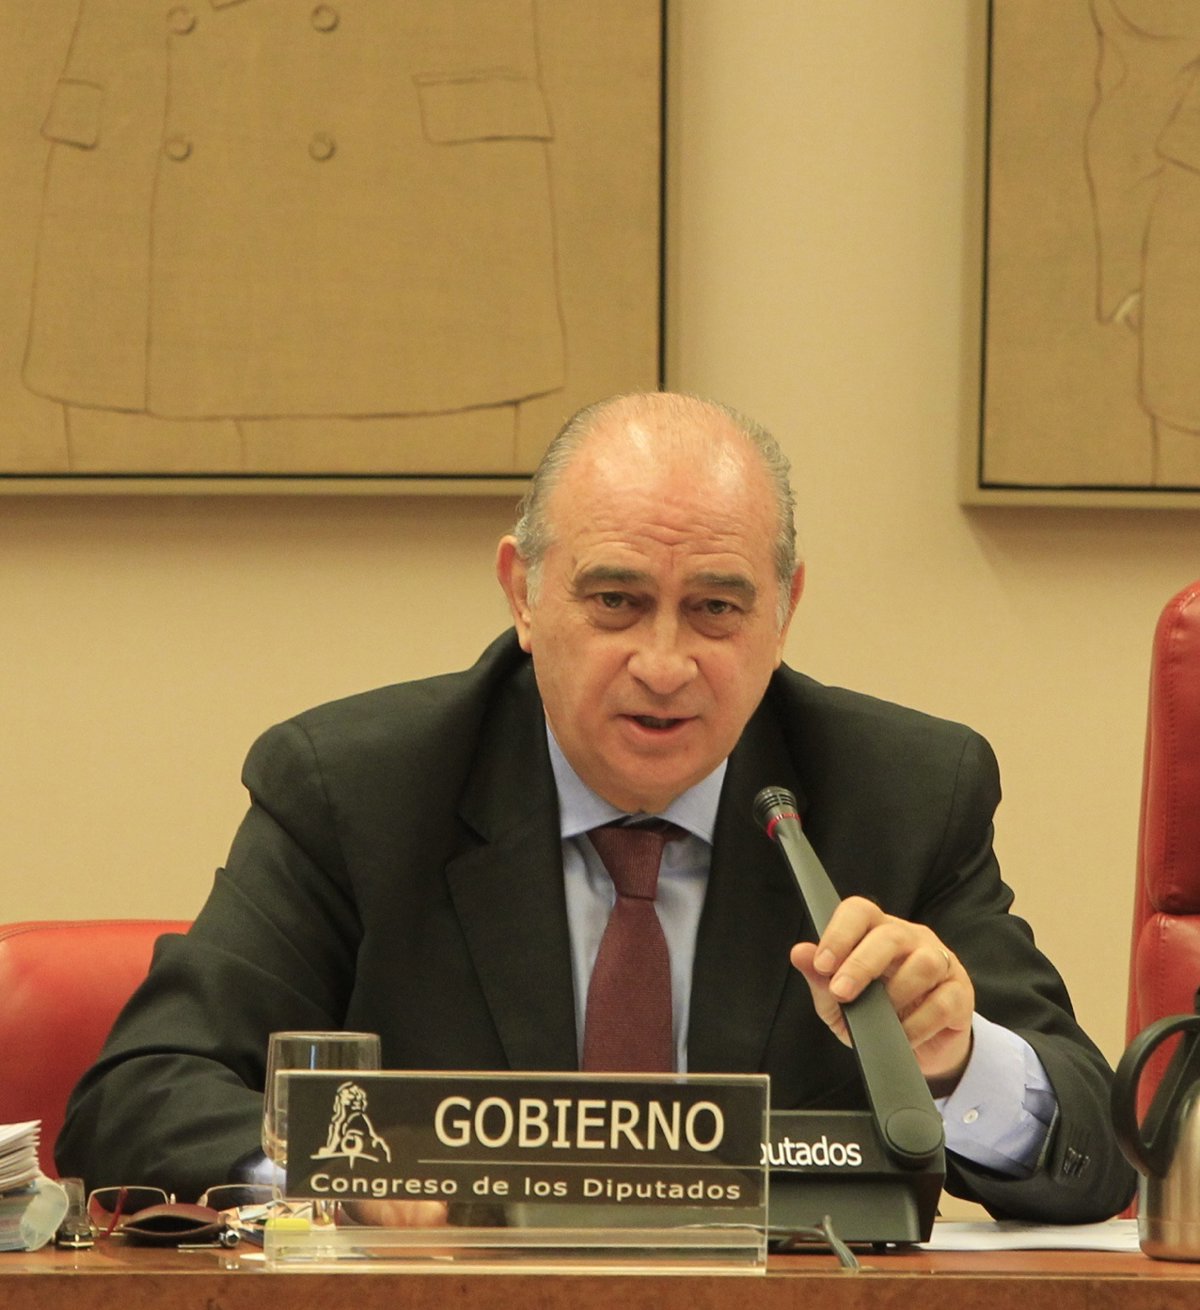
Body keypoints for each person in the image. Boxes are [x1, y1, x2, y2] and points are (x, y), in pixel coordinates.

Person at [57, 391, 1135, 1222]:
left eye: (716, 609)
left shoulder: (899, 792)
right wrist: (341, 1178)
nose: (664, 664)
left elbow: (1097, 1150)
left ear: (785, 610)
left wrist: (956, 1057)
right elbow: (140, 1095)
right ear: (522, 593)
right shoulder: (359, 791)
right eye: (616, 601)